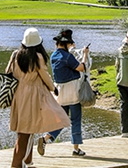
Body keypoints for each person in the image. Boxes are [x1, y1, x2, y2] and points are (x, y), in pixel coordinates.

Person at [8, 28, 70, 168]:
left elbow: (9, 72)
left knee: (24, 129)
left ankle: (28, 161)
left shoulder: (16, 55)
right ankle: (16, 164)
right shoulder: (37, 57)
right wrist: (53, 88)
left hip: (18, 95)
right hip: (32, 95)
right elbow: (45, 76)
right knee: (26, 132)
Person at [37, 29, 90, 157]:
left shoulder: (54, 56)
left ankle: (46, 138)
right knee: (75, 120)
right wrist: (85, 54)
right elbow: (81, 68)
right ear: (67, 44)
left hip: (60, 93)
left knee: (61, 119)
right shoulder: (68, 57)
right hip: (72, 92)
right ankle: (76, 149)